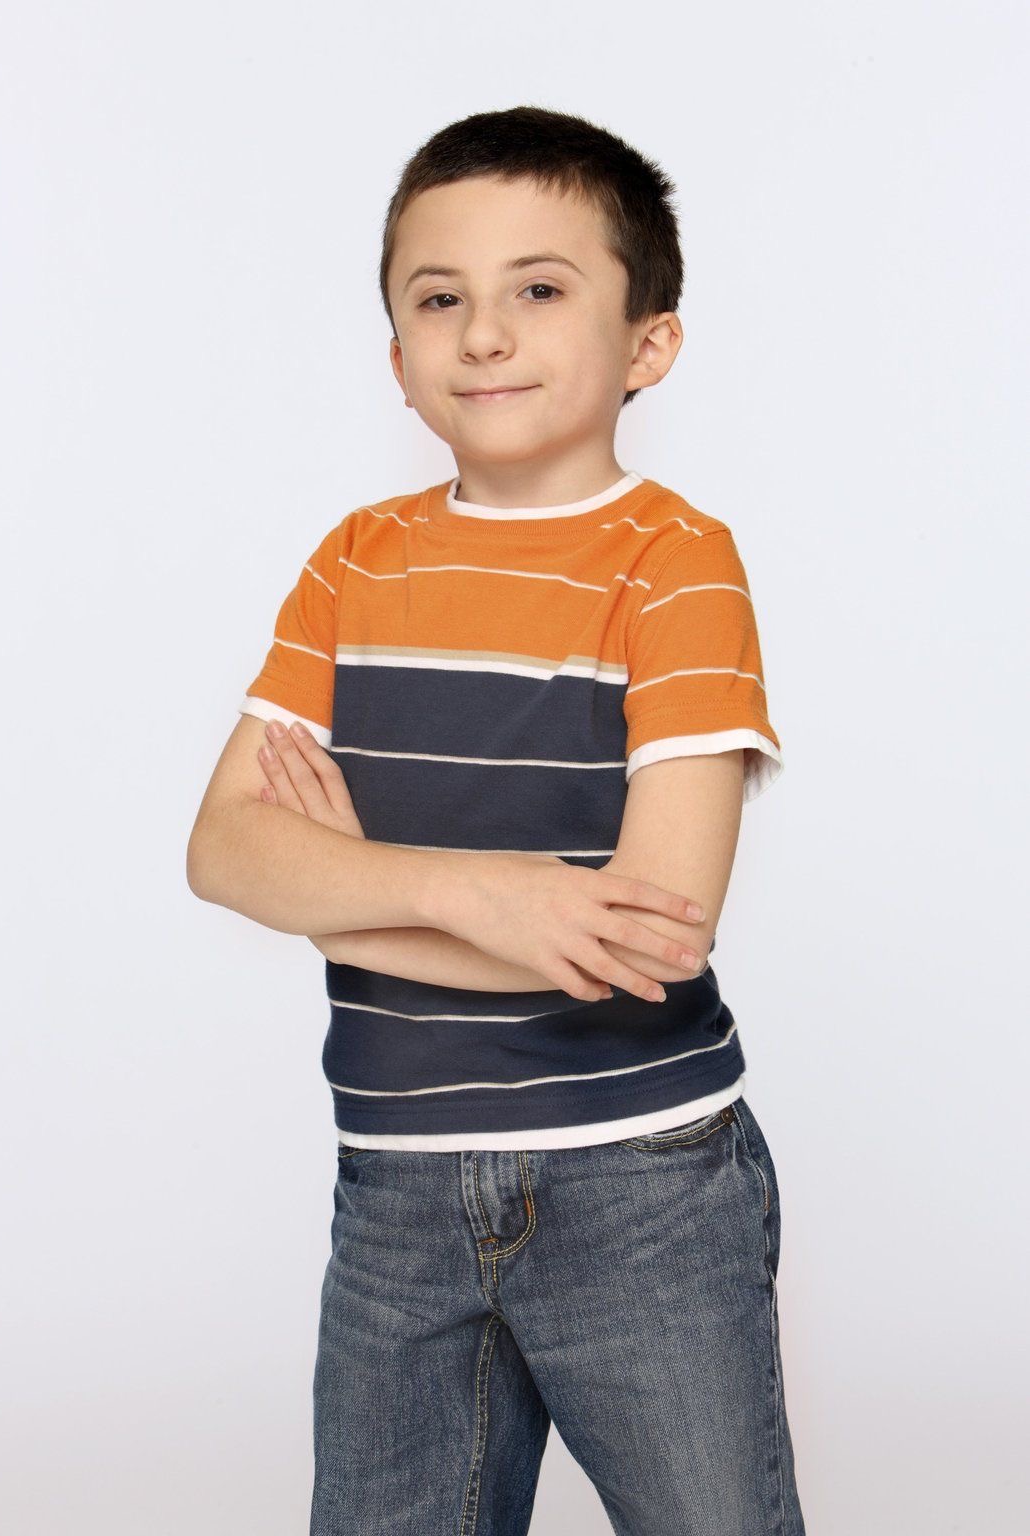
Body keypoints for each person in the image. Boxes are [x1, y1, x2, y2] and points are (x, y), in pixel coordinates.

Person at [187, 105, 806, 1536]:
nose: (482, 334)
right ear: (395, 354)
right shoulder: (353, 561)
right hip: (393, 1192)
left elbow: (648, 941)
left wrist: (341, 893)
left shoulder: (676, 564)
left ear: (649, 342)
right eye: (437, 298)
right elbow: (225, 851)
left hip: (640, 1187)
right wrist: (487, 898)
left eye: (539, 288)